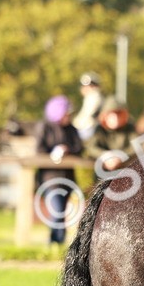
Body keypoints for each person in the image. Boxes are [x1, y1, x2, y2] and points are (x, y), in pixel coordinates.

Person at [35, 95, 83, 245]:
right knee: (57, 210)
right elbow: (39, 150)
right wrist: (53, 152)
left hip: (68, 177)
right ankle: (54, 240)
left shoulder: (71, 129)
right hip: (50, 177)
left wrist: (67, 150)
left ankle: (58, 241)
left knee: (62, 210)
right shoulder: (45, 127)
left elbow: (80, 148)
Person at [85, 96, 136, 171]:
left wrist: (120, 157)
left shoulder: (129, 128)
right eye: (111, 115)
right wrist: (105, 156)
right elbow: (91, 147)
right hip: (103, 170)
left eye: (118, 114)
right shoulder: (99, 129)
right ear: (105, 116)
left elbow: (135, 147)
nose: (115, 118)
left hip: (125, 170)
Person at [73, 73, 104, 141]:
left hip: (88, 129)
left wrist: (74, 124)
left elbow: (87, 118)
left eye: (90, 85)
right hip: (88, 128)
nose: (84, 88)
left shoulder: (94, 97)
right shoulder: (92, 97)